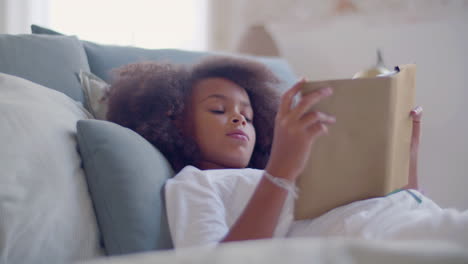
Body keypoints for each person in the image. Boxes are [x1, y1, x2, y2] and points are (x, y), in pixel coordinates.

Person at [106, 56, 468, 249]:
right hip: (381, 239)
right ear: (175, 123)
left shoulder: (294, 171)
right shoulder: (195, 184)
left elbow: (403, 200)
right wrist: (281, 171)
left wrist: (407, 150)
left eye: (248, 116)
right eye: (219, 110)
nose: (238, 118)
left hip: (413, 218)